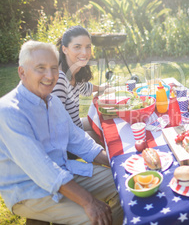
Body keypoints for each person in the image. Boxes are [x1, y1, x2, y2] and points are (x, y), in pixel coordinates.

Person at [0, 41, 123, 224]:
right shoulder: (8, 111)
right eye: (40, 68)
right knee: (95, 219)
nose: (50, 76)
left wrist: (117, 164)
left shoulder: (53, 101)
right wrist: (88, 202)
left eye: (53, 68)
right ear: (22, 72)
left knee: (126, 183)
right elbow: (42, 169)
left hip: (64, 171)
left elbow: (78, 140)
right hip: (29, 190)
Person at [52, 25, 108, 146]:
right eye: (77, 47)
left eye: (88, 47)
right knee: (105, 137)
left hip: (75, 126)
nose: (85, 52)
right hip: (66, 141)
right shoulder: (59, 79)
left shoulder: (74, 72)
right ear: (65, 49)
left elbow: (85, 88)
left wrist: (102, 88)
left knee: (105, 120)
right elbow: (56, 126)